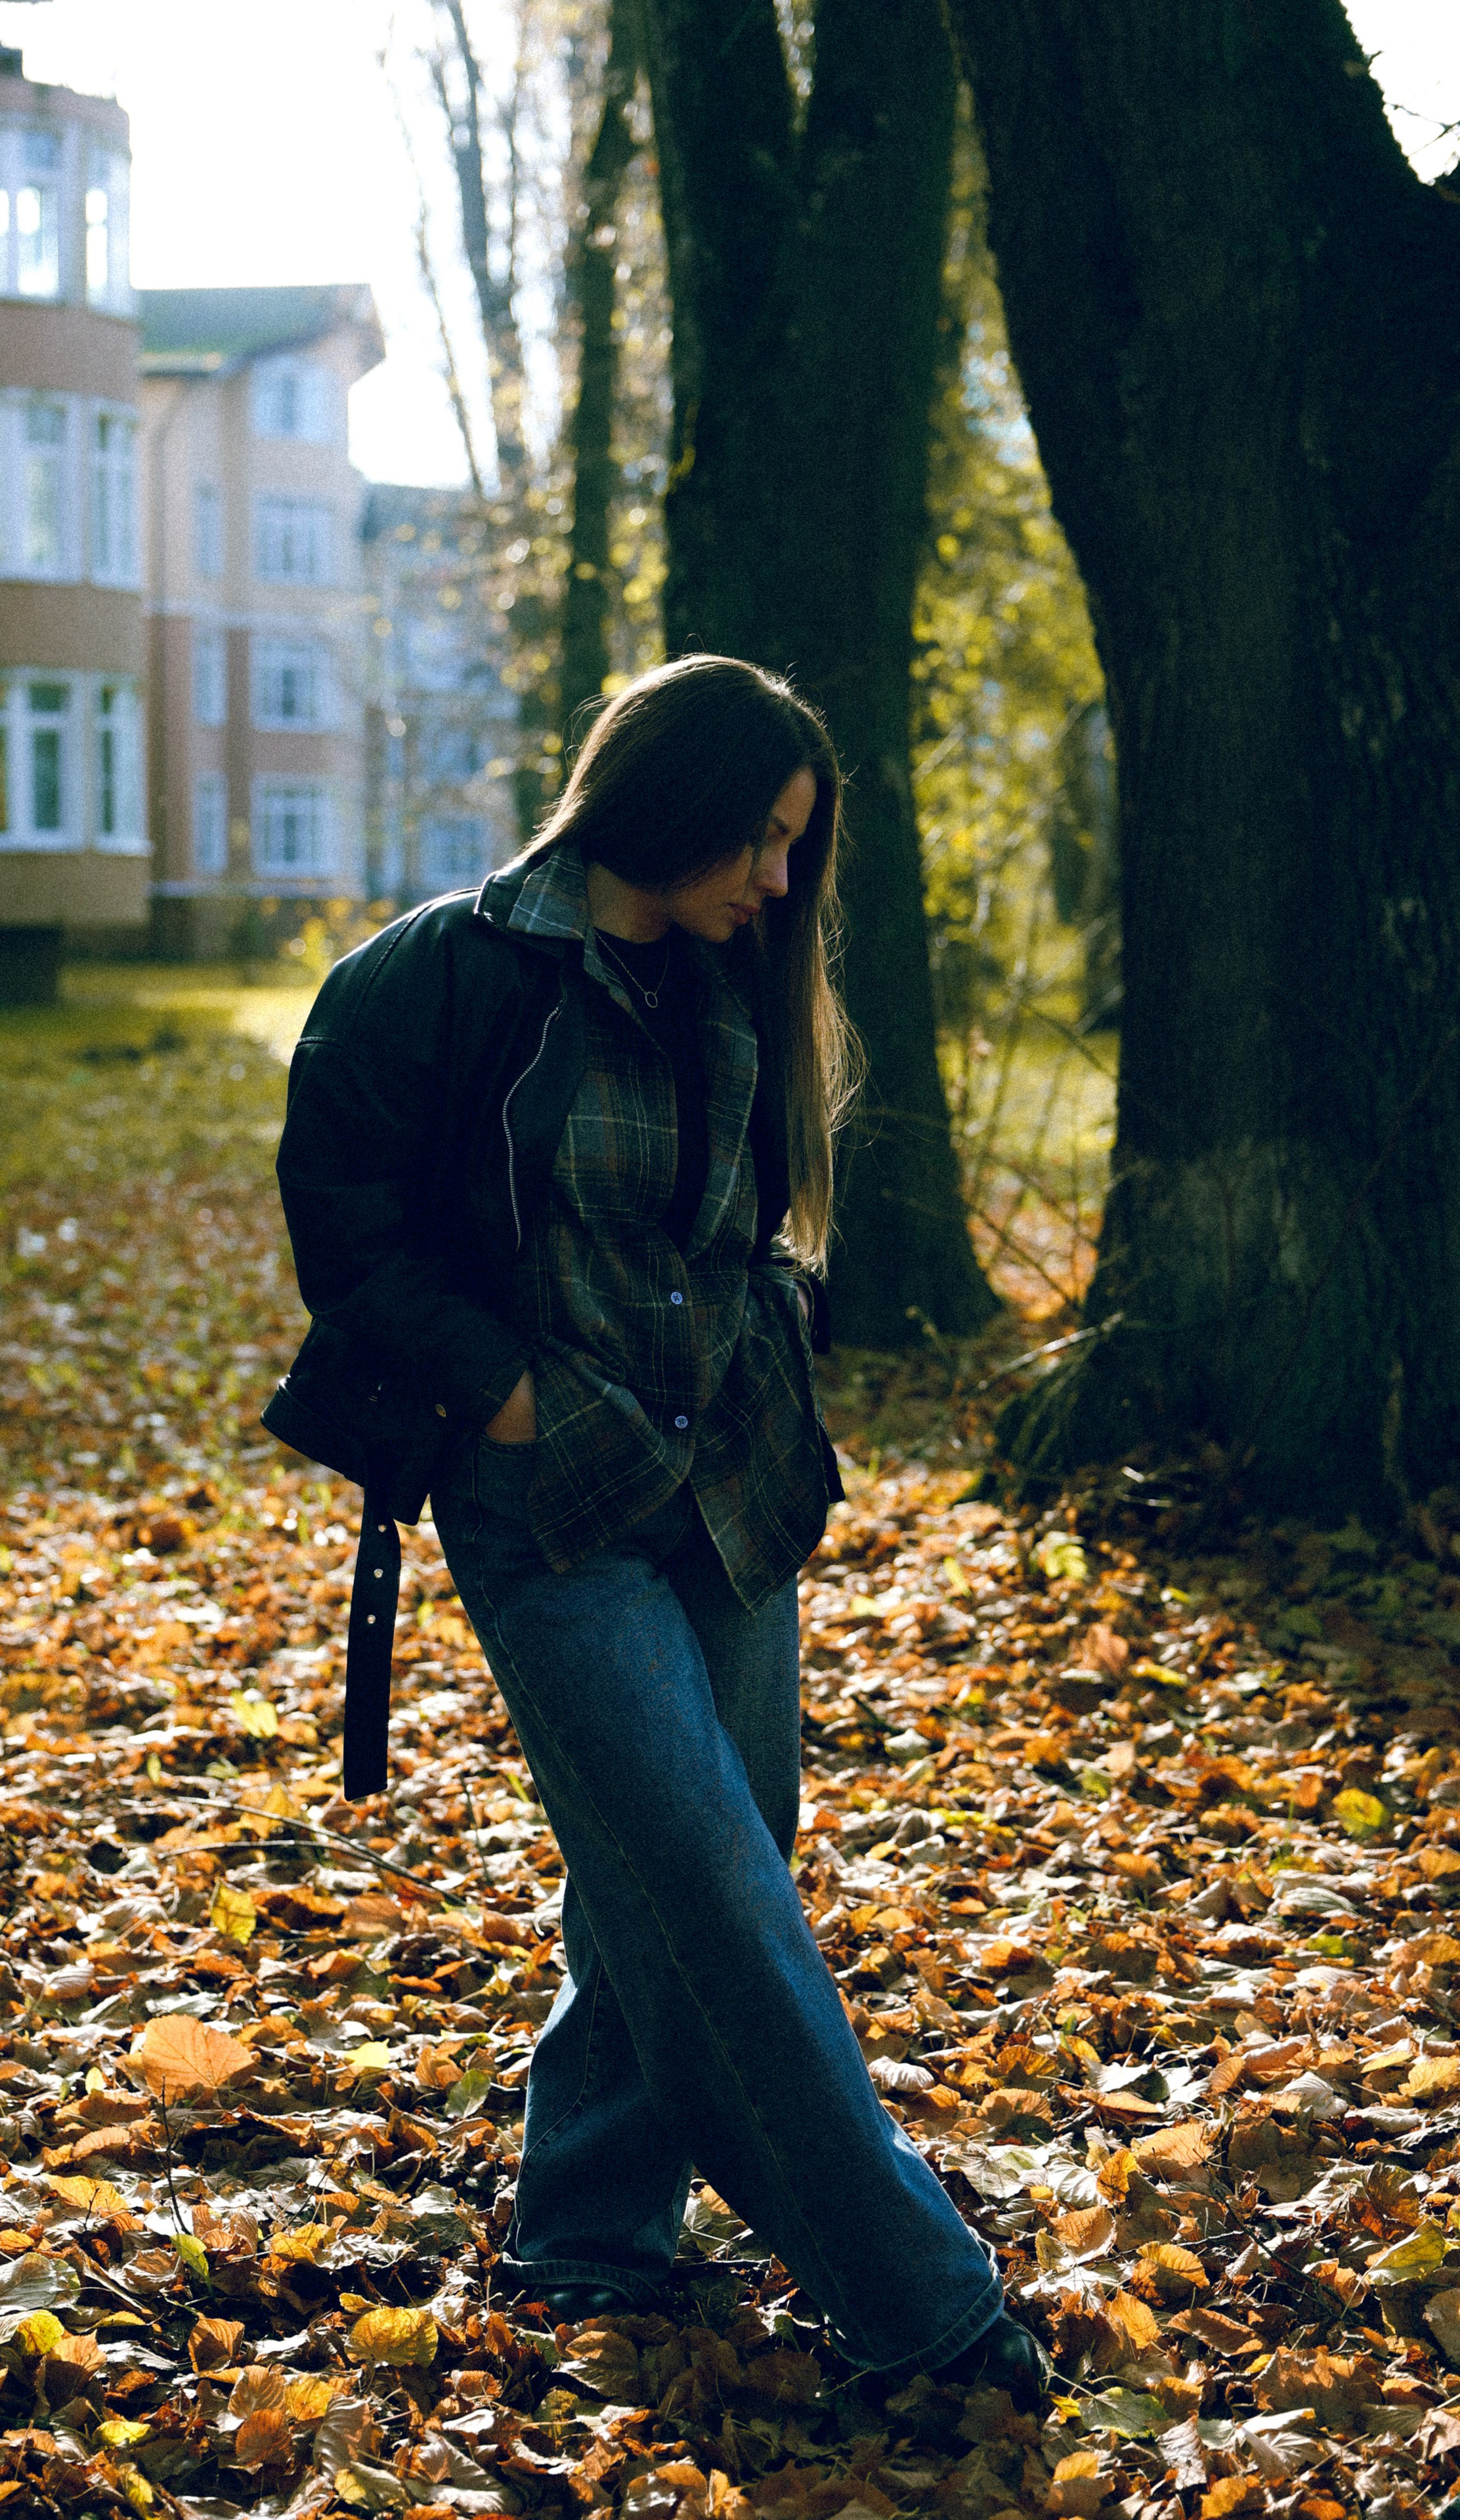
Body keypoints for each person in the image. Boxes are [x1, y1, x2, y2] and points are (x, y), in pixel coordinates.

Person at [265, 655, 1045, 2402]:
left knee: (690, 1863)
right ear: (670, 798)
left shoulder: (732, 981)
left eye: (797, 850)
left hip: (731, 1482)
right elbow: (352, 1236)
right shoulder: (435, 983)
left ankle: (591, 2230)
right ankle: (925, 2306)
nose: (779, 886)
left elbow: (752, 1228)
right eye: (760, 841)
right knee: (708, 1879)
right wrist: (509, 1397)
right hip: (549, 1497)